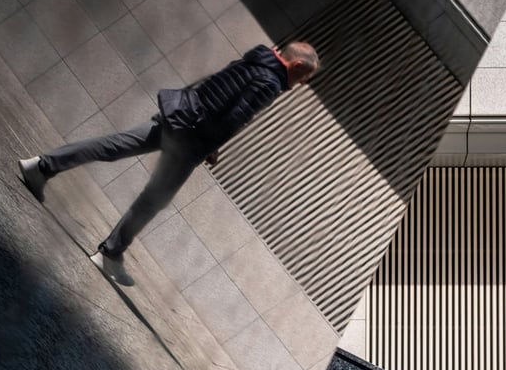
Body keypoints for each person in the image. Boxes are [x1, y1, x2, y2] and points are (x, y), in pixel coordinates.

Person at [18, 41, 320, 286]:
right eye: (303, 79)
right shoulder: (270, 81)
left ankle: (41, 166)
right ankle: (110, 253)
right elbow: (234, 118)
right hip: (192, 137)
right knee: (153, 199)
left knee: (113, 145)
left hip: (180, 115)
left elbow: (216, 87)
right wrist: (208, 148)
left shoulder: (255, 59)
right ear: (296, 66)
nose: (299, 84)